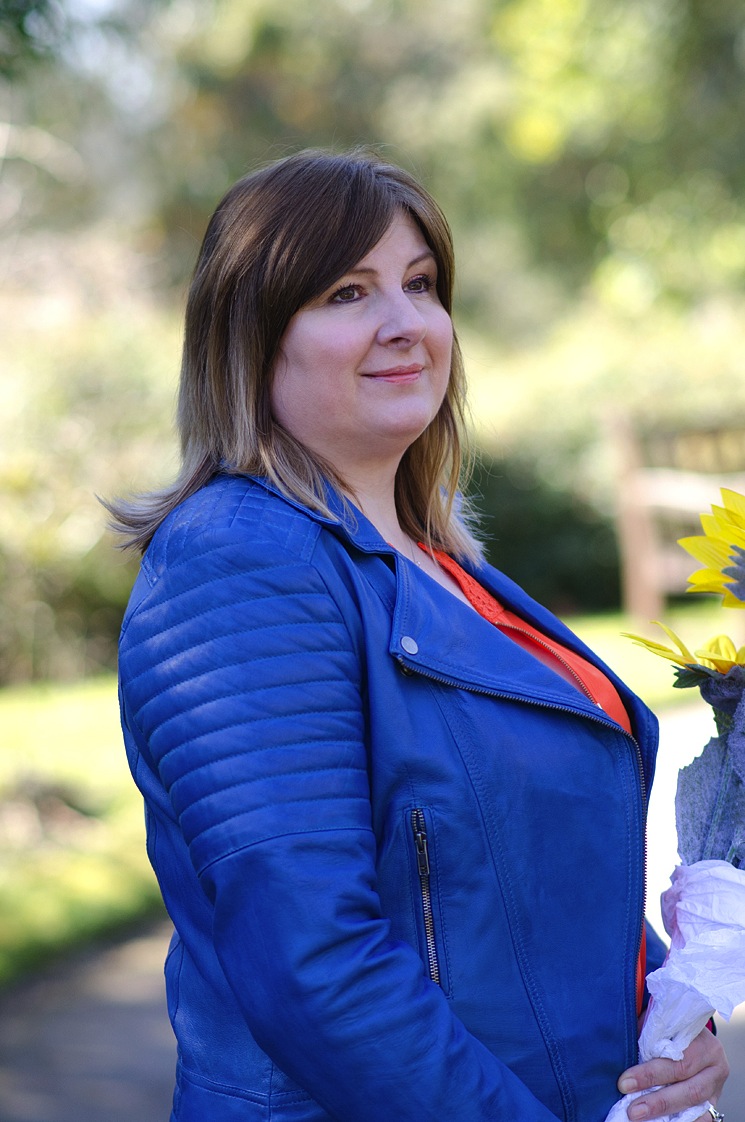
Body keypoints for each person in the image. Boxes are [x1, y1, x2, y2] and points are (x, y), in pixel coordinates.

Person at [110, 149, 729, 1122]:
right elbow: (313, 966)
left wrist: (661, 1012)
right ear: (251, 336)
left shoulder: (443, 564)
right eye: (347, 292)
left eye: (421, 284)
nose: (404, 324)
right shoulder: (238, 562)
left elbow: (517, 872)